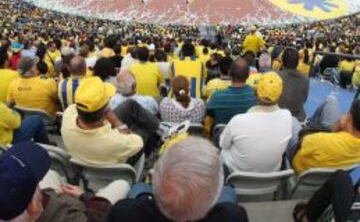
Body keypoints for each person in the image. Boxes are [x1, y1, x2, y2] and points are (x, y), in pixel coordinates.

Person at [107, 137, 249, 222]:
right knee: (229, 191)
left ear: (155, 179)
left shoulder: (123, 213)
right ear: (216, 195)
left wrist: (144, 198)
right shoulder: (233, 216)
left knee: (139, 188)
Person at [0, 142, 128, 222]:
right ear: (33, 206)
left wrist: (48, 194)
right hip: (88, 209)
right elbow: (106, 215)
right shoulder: (74, 218)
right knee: (122, 183)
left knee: (52, 174)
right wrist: (85, 196)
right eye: (36, 184)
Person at [220, 72, 292, 174]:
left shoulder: (238, 120)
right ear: (279, 96)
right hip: (271, 174)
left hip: (236, 173)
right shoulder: (287, 116)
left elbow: (223, 145)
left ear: (255, 93)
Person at [61, 77, 144, 166]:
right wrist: (122, 128)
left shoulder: (67, 115)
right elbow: (139, 142)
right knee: (143, 132)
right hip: (113, 169)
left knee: (129, 104)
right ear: (105, 112)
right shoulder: (117, 142)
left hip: (83, 160)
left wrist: (116, 123)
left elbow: (76, 107)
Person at [292, 99, 360, 173]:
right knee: (331, 101)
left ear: (349, 118)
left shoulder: (320, 139)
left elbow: (301, 141)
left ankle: (309, 125)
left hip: (299, 169)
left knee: (291, 119)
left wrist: (337, 125)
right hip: (329, 175)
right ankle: (310, 124)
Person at [207, 58, 256, 125]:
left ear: (229, 73)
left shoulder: (217, 97)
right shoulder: (256, 96)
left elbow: (209, 113)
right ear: (248, 75)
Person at [277, 48, 309, 121]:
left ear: (282, 62)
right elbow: (304, 100)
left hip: (279, 117)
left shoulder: (275, 76)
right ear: (297, 63)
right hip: (298, 118)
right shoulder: (305, 80)